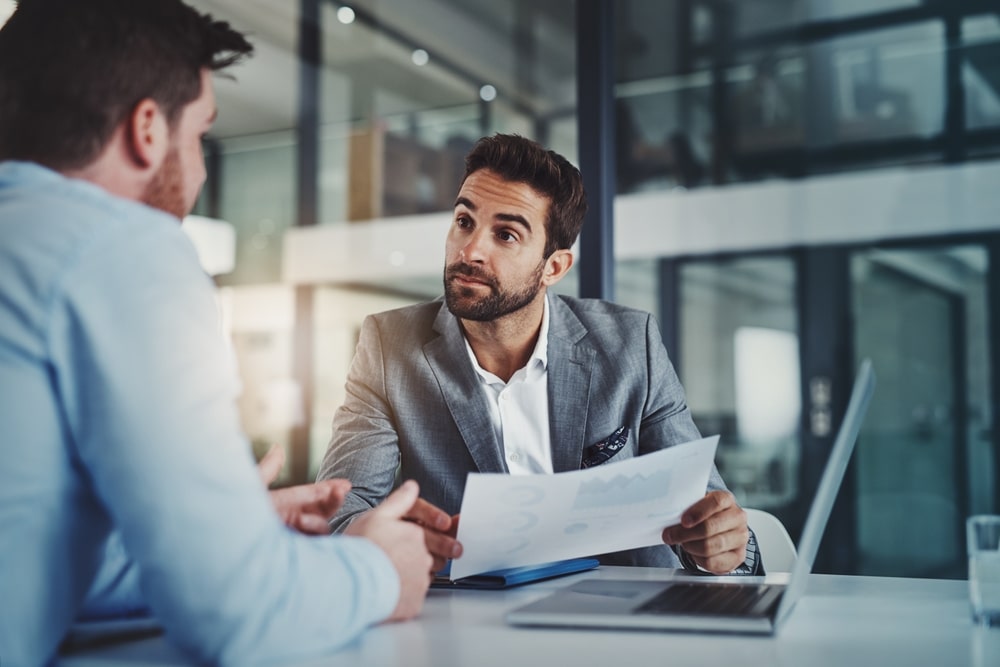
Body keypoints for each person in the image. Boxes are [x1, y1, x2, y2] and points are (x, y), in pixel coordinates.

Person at [0, 1, 432, 665]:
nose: (199, 172)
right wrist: (376, 568)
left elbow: (27, 563)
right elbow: (234, 611)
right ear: (147, 129)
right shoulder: (122, 247)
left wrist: (231, 532)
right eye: (201, 135)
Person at [317, 133, 761, 576]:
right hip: (469, 621)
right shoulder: (388, 345)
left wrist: (721, 543)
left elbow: (710, 516)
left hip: (622, 617)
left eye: (506, 234)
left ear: (554, 267)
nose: (470, 251)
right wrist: (378, 533)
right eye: (464, 221)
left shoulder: (631, 345)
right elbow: (340, 509)